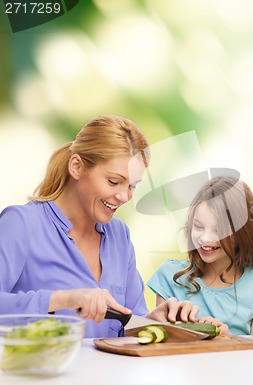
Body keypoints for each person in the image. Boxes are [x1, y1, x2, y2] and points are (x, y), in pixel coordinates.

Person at [0, 115, 197, 338]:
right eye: (114, 181)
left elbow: (128, 321)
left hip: (109, 373)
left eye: (132, 185)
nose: (124, 196)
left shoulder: (119, 235)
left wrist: (157, 322)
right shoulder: (22, 224)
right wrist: (64, 299)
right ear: (76, 166)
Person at [148, 176, 253, 335]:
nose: (206, 239)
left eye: (219, 230)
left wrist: (227, 340)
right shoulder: (170, 276)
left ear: (243, 231)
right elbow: (160, 344)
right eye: (199, 226)